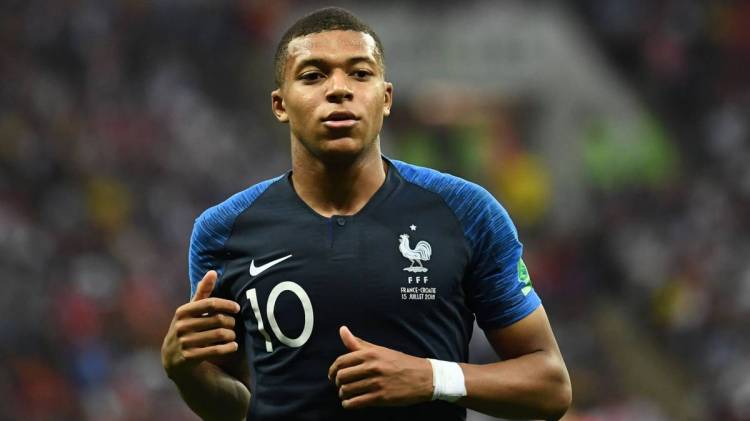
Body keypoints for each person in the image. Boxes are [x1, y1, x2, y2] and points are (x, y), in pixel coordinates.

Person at [161, 7, 571, 421]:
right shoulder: (223, 231)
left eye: (359, 73)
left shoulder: (467, 212)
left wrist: (432, 377)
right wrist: (186, 374)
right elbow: (238, 407)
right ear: (280, 104)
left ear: (385, 98)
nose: (339, 89)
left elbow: (551, 385)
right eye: (313, 75)